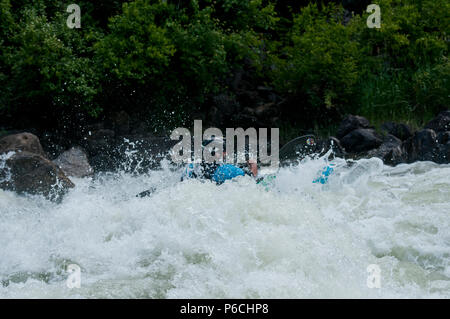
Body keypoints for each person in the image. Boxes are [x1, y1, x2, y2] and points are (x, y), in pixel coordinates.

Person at [181, 137, 258, 184]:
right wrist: (253, 164)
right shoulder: (227, 170)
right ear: (223, 153)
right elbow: (251, 180)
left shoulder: (192, 166)